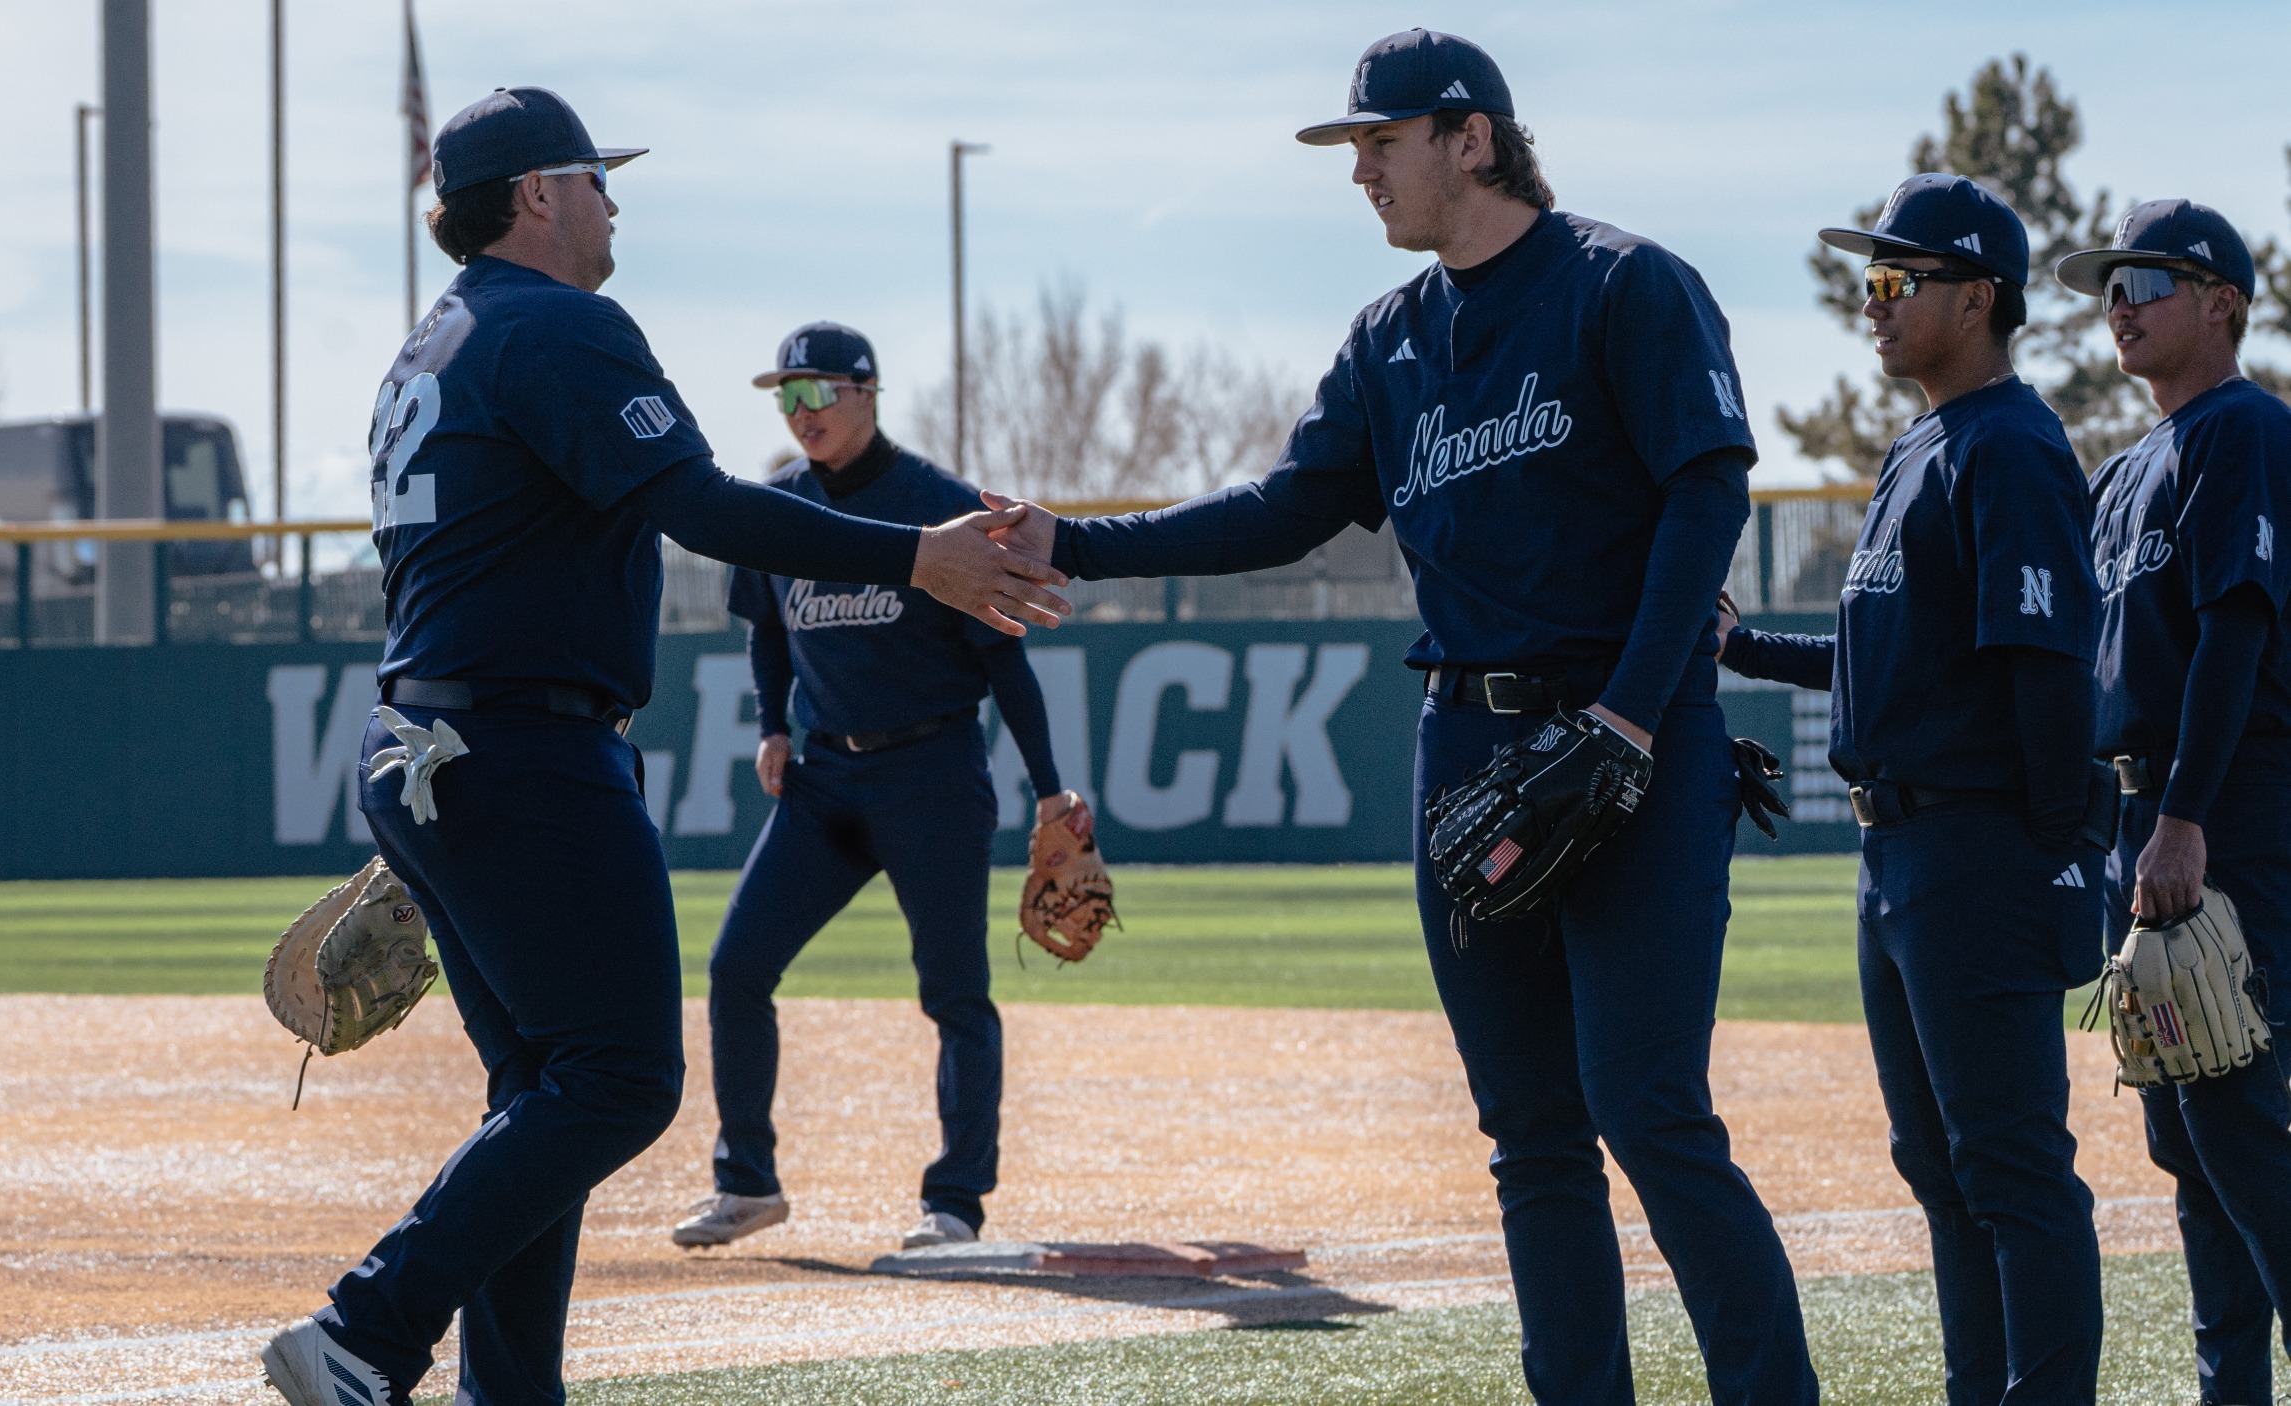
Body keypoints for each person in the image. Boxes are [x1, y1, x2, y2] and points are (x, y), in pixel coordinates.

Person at [982, 30, 1814, 1404]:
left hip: (1637, 743)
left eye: (1379, 141)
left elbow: (1706, 495)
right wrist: (1076, 540)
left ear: (1469, 138)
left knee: (1652, 1111)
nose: (1358, 170)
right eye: (1352, 148)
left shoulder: (1627, 285)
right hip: (1471, 749)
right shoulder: (1390, 342)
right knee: (1532, 1134)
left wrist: (1627, 717)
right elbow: (1282, 512)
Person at [255, 87, 1067, 1406]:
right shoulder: (558, 324)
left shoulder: (431, 346)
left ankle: (506, 1393)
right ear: (536, 194)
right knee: (623, 1079)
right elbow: (700, 503)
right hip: (522, 748)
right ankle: (369, 1324)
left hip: (427, 738)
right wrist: (921, 556)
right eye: (595, 177)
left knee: (541, 1087)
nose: (613, 201)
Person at [1714, 174, 2105, 1404]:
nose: (1869, 303)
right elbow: (1901, 656)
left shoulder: (2013, 448)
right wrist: (1741, 649)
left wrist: (2056, 855)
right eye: (1864, 281)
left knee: (2013, 1167)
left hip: (1977, 850)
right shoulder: (1921, 445)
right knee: (1940, 1165)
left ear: (1979, 297)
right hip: (1901, 858)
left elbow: (2046, 678)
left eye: (1897, 280)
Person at [669, 322, 1073, 1252]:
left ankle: (955, 1204)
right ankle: (747, 1182)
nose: (800, 412)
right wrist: (773, 721)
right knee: (737, 968)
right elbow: (765, 626)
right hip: (827, 778)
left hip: (931, 773)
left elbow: (1006, 659)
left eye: (816, 393)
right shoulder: (777, 508)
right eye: (786, 396)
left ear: (867, 393)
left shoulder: (937, 506)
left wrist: (1050, 789)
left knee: (954, 992)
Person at [2059, 200, 2291, 1405]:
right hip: (2137, 825)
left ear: (2222, 303)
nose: (2119, 300)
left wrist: (2187, 816)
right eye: (2108, 282)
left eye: (2147, 276)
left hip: (2226, 810)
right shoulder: (2119, 472)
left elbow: (2233, 632)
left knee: (2235, 1117)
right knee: (2183, 1136)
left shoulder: (2244, 429)